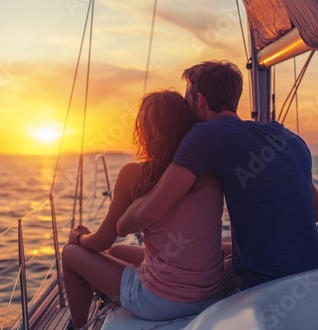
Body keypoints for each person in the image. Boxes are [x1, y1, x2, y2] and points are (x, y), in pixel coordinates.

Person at [117, 60, 318, 292]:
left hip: (263, 286)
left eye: (187, 99)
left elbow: (150, 211)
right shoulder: (289, 138)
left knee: (122, 259)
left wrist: (122, 223)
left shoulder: (204, 135)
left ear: (200, 100)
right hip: (315, 274)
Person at [62, 90, 226, 329]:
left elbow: (101, 242)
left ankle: (77, 327)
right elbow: (111, 247)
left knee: (70, 254)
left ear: (146, 130)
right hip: (212, 293)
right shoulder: (208, 172)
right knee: (119, 251)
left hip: (161, 302)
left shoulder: (134, 175)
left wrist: (78, 237)